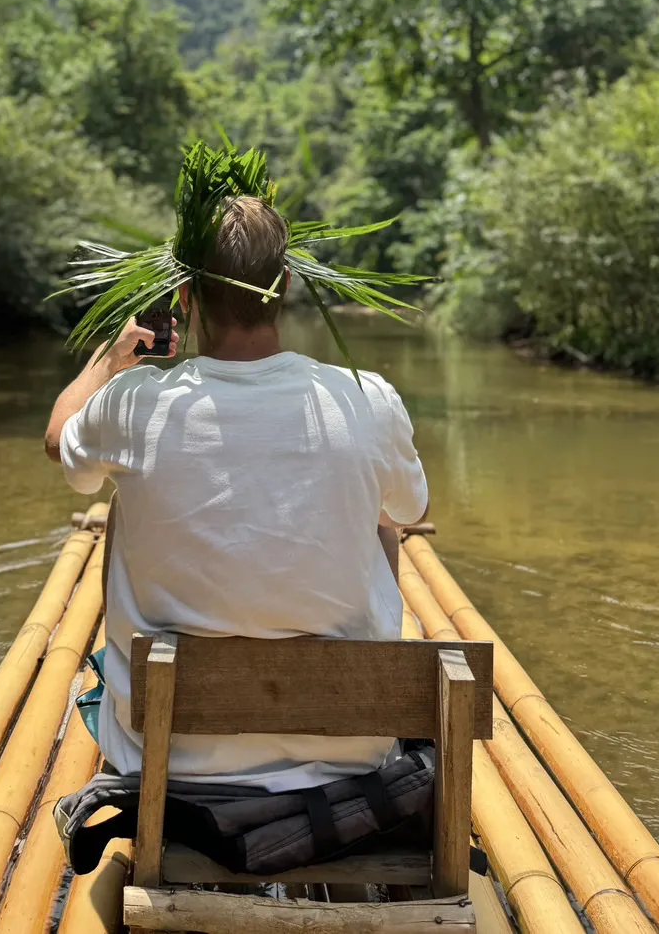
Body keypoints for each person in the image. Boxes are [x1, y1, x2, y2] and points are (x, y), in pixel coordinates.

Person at [44, 195, 428, 791]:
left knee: (118, 497)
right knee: (383, 517)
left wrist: (112, 356)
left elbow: (57, 439)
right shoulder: (365, 396)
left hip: (168, 745)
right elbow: (412, 511)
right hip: (350, 744)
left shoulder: (135, 403)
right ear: (290, 284)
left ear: (186, 295)